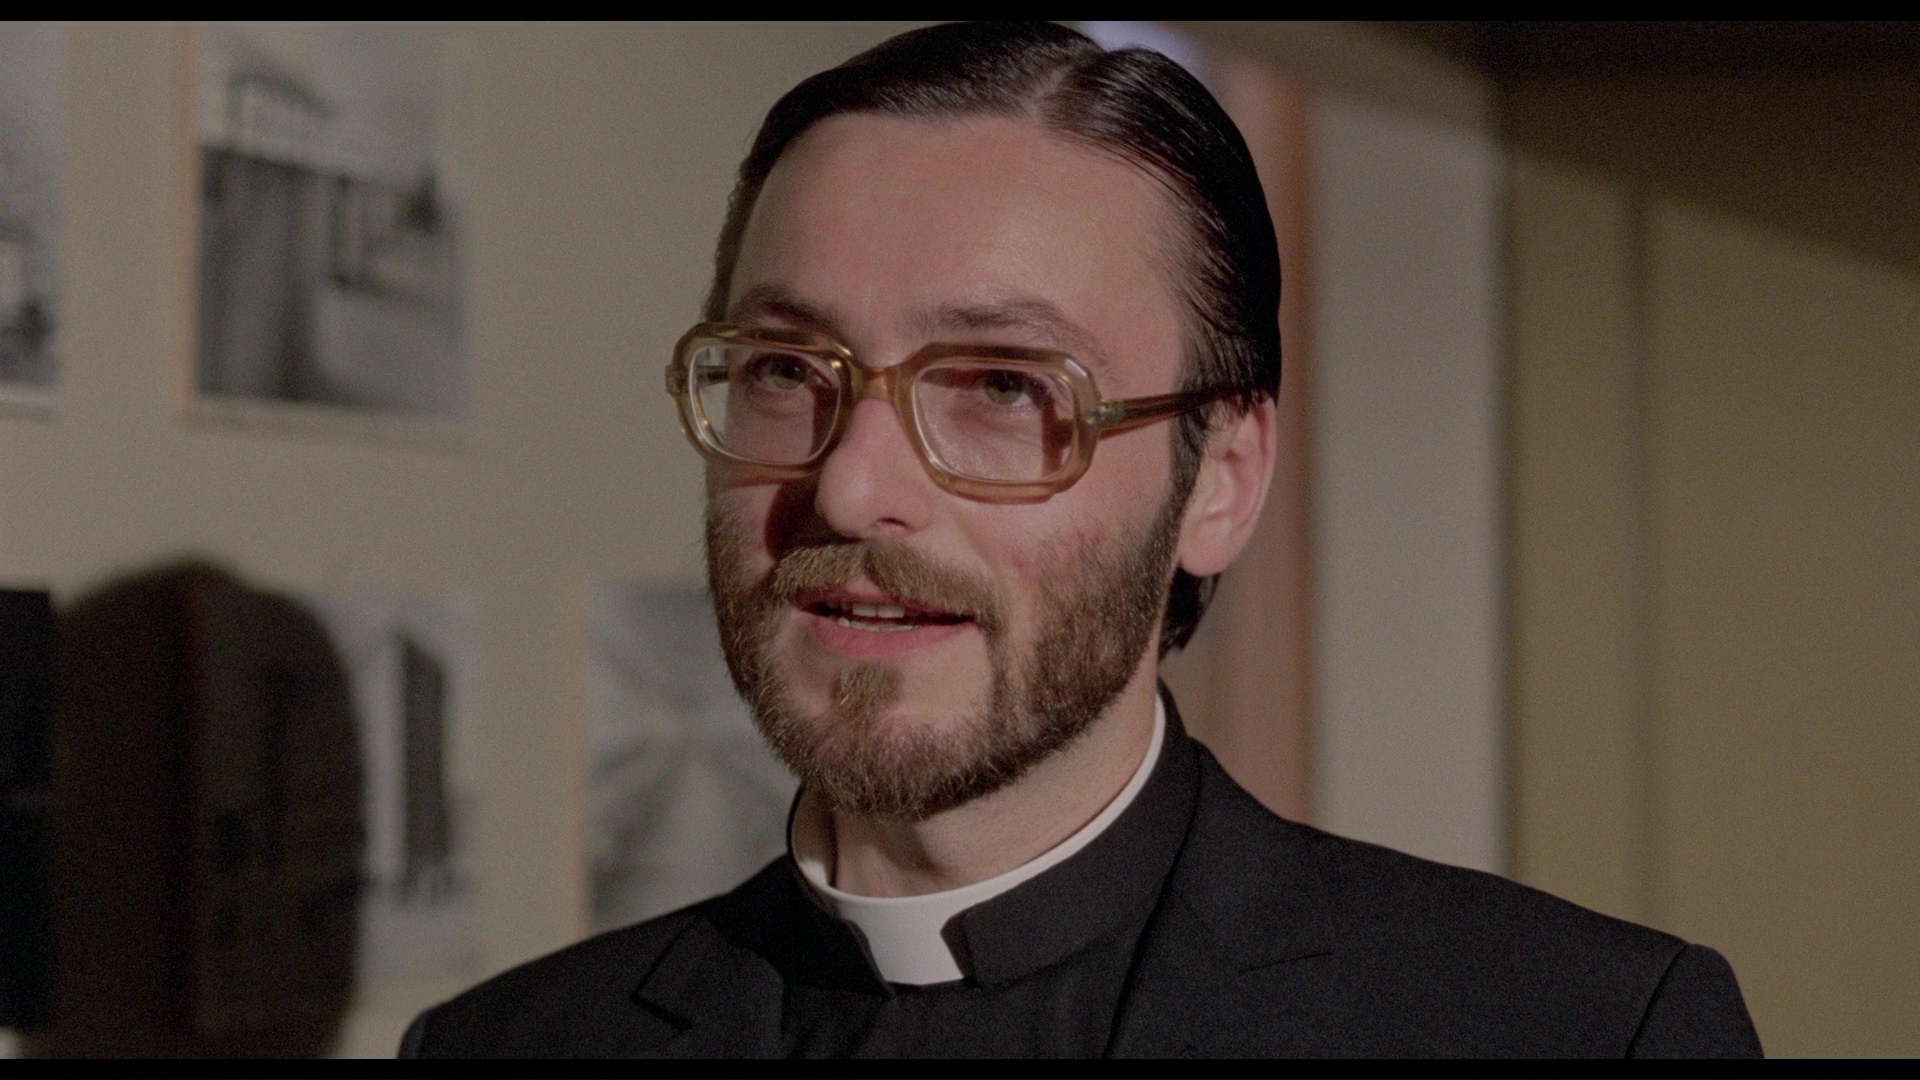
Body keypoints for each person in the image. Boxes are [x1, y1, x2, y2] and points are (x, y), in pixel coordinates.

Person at [402, 23, 1762, 1057]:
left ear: (1220, 480)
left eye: (1004, 387)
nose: (852, 488)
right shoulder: (503, 1046)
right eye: (785, 371)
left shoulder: (1579, 1030)